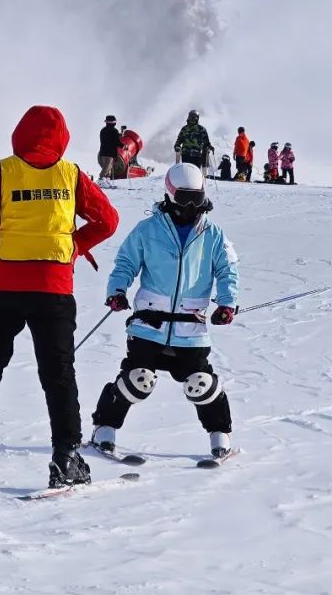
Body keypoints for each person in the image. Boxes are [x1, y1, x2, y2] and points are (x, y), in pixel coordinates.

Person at [0, 105, 119, 489]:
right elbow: (108, 221)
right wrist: (74, 247)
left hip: (1, 287)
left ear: (20, 133)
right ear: (63, 138)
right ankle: (66, 458)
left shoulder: (2, 171)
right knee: (58, 374)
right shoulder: (71, 175)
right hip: (54, 289)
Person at [89, 163, 238, 460]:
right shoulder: (148, 230)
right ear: (170, 194)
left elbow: (227, 269)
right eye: (185, 198)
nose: (192, 206)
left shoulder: (213, 234)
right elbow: (126, 264)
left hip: (190, 329)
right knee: (138, 378)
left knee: (201, 384)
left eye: (197, 198)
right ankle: (104, 429)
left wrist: (227, 302)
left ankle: (220, 435)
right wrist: (116, 292)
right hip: (149, 324)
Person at [98, 115, 121, 186]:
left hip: (102, 152)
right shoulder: (114, 131)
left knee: (108, 167)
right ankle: (101, 181)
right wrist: (124, 146)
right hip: (110, 153)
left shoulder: (102, 130)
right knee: (107, 167)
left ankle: (106, 181)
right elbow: (117, 142)